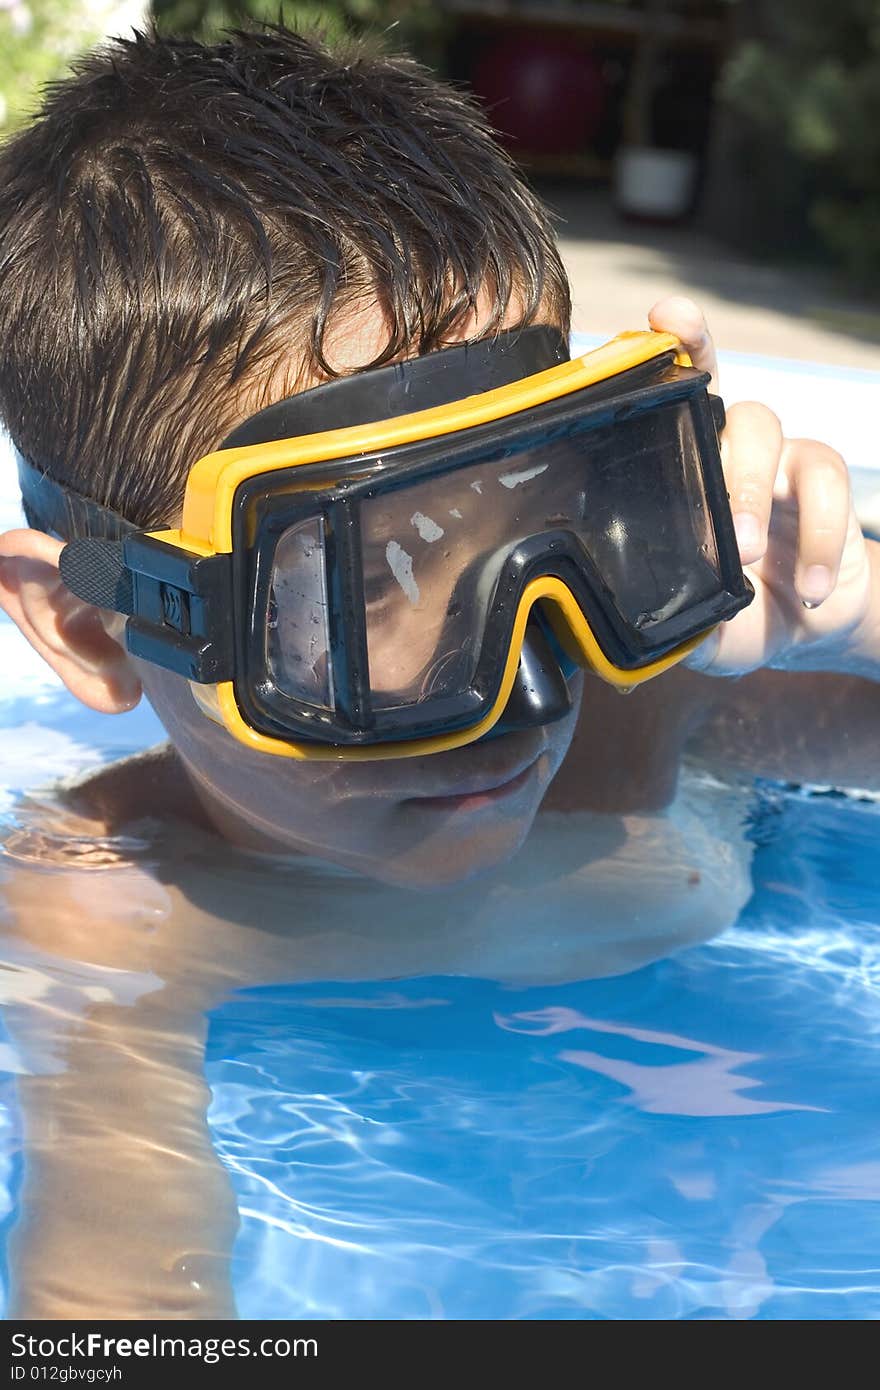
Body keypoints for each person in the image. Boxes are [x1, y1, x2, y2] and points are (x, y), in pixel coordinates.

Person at [0, 23, 876, 1320]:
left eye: (554, 513)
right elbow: (117, 1304)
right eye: (367, 592)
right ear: (89, 625)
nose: (523, 690)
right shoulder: (127, 908)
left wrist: (849, 606)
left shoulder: (651, 695)